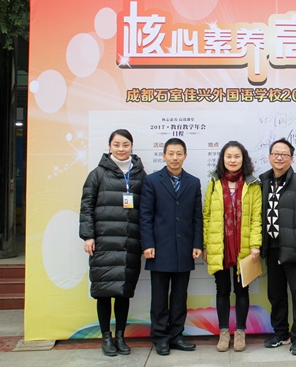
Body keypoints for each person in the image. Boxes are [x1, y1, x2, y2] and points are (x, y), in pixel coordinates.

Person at [79, 129, 146, 357]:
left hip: (129, 242)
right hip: (104, 242)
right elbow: (86, 207)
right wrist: (88, 236)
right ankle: (106, 337)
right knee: (104, 291)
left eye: (125, 144)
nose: (121, 149)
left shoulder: (140, 174)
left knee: (124, 292)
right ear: (109, 146)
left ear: (131, 146)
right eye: (116, 144)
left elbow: (146, 210)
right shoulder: (97, 174)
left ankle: (120, 337)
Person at [139, 138, 203, 356]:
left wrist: (197, 243)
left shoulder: (193, 182)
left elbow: (197, 216)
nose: (175, 158)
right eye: (171, 153)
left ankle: (176, 336)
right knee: (159, 298)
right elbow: (145, 215)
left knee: (179, 296)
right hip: (159, 249)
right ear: (164, 155)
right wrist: (147, 243)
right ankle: (160, 338)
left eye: (179, 153)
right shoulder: (152, 181)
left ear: (185, 155)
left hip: (184, 248)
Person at [260, 138, 296, 356]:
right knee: (275, 294)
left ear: (291, 159)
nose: (279, 158)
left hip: (294, 250)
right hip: (272, 248)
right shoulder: (263, 182)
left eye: (284, 154)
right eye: (275, 153)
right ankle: (280, 333)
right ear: (269, 157)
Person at [203, 141, 262, 352]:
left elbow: (256, 218)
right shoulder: (214, 183)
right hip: (220, 245)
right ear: (223, 159)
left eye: (237, 156)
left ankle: (240, 332)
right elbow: (206, 215)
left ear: (243, 159)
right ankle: (223, 333)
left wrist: (255, 245)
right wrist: (206, 245)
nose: (233, 160)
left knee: (242, 290)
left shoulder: (253, 185)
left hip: (243, 246)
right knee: (222, 290)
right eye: (229, 156)